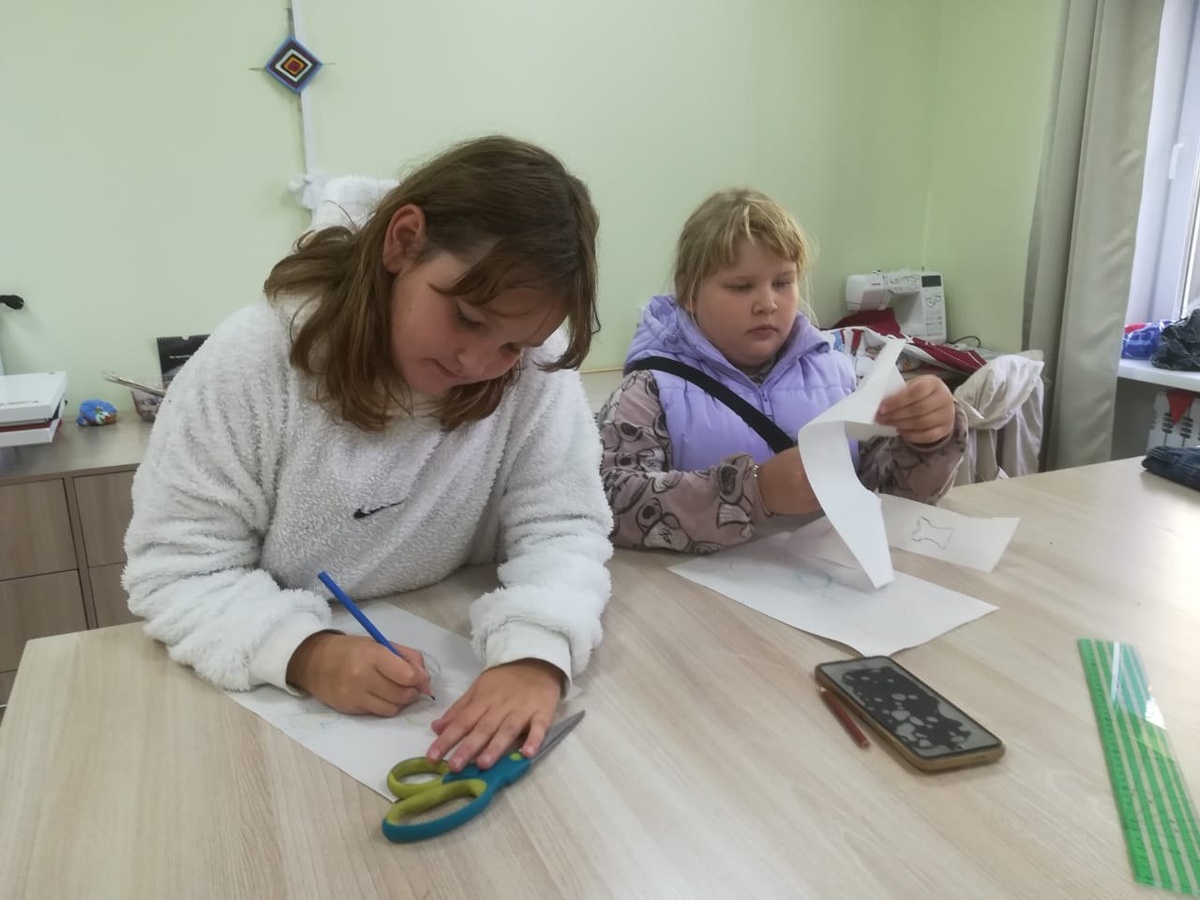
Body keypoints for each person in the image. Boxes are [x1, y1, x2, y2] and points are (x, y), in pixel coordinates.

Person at [122, 135, 613, 773]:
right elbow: (178, 569)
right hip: (272, 719)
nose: (477, 362)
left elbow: (565, 525)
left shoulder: (533, 368)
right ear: (403, 242)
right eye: (467, 319)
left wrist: (535, 653)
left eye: (512, 346)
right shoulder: (252, 361)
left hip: (443, 644)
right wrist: (306, 653)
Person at [598, 188, 966, 553]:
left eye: (782, 282)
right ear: (690, 295)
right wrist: (752, 493)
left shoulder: (838, 374)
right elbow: (610, 499)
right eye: (741, 286)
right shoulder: (650, 389)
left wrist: (928, 440)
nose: (767, 303)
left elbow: (891, 494)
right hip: (700, 588)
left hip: (827, 580)